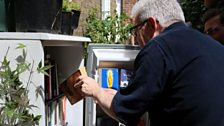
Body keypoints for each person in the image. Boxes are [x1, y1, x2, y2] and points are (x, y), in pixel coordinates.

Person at [75, 0, 224, 126]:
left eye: (135, 30)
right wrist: (121, 97)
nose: (136, 39)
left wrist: (96, 90)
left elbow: (126, 112)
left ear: (151, 24)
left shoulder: (159, 47)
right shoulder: (213, 45)